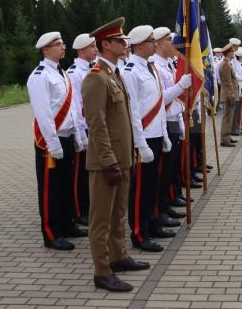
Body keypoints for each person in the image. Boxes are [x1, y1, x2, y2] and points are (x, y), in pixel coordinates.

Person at [82, 17, 149, 292]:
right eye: (120, 40)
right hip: (105, 162)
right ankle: (102, 270)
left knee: (118, 213)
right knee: (100, 219)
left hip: (122, 158)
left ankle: (119, 256)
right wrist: (109, 161)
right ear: (106, 44)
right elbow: (96, 126)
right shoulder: (96, 78)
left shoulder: (114, 74)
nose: (125, 44)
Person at [26, 31, 88, 252]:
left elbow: (72, 109)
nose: (63, 47)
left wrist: (78, 136)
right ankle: (51, 234)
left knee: (66, 186)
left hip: (68, 138)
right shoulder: (39, 76)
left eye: (63, 44)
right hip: (51, 144)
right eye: (58, 44)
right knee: (50, 190)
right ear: (45, 50)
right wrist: (53, 144)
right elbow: (43, 115)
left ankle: (67, 224)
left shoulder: (62, 73)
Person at [121, 25, 174, 252]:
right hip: (142, 138)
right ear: (140, 44)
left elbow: (159, 103)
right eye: (152, 40)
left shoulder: (150, 66)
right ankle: (139, 233)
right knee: (140, 190)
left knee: (152, 186)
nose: (156, 43)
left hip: (155, 135)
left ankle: (151, 224)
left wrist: (163, 134)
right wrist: (140, 143)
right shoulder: (131, 71)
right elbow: (132, 111)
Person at [149, 27, 192, 223]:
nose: (172, 43)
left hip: (174, 120)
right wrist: (181, 86)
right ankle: (161, 208)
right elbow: (161, 98)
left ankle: (167, 204)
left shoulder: (167, 64)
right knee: (162, 171)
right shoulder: (154, 66)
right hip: (162, 121)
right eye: (168, 39)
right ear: (157, 43)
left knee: (171, 168)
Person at [67, 33, 98, 226]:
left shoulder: (91, 69)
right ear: (81, 50)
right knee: (80, 174)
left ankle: (88, 207)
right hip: (83, 128)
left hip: (93, 126)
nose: (96, 49)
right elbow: (76, 107)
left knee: (90, 173)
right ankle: (79, 211)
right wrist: (80, 135)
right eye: (92, 46)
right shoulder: (74, 73)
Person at [219, 42, 238, 147]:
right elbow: (227, 83)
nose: (234, 52)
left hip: (229, 94)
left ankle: (227, 136)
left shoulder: (227, 63)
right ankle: (224, 139)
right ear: (228, 53)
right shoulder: (225, 65)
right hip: (228, 95)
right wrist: (232, 95)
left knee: (229, 117)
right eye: (232, 51)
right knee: (227, 117)